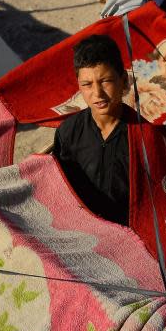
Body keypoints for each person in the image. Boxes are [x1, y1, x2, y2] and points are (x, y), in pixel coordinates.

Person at [52, 35, 133, 225]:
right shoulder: (68, 133)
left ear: (123, 80)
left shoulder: (143, 138)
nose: (97, 93)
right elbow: (59, 188)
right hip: (80, 229)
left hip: (128, 235)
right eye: (87, 84)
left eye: (105, 81)